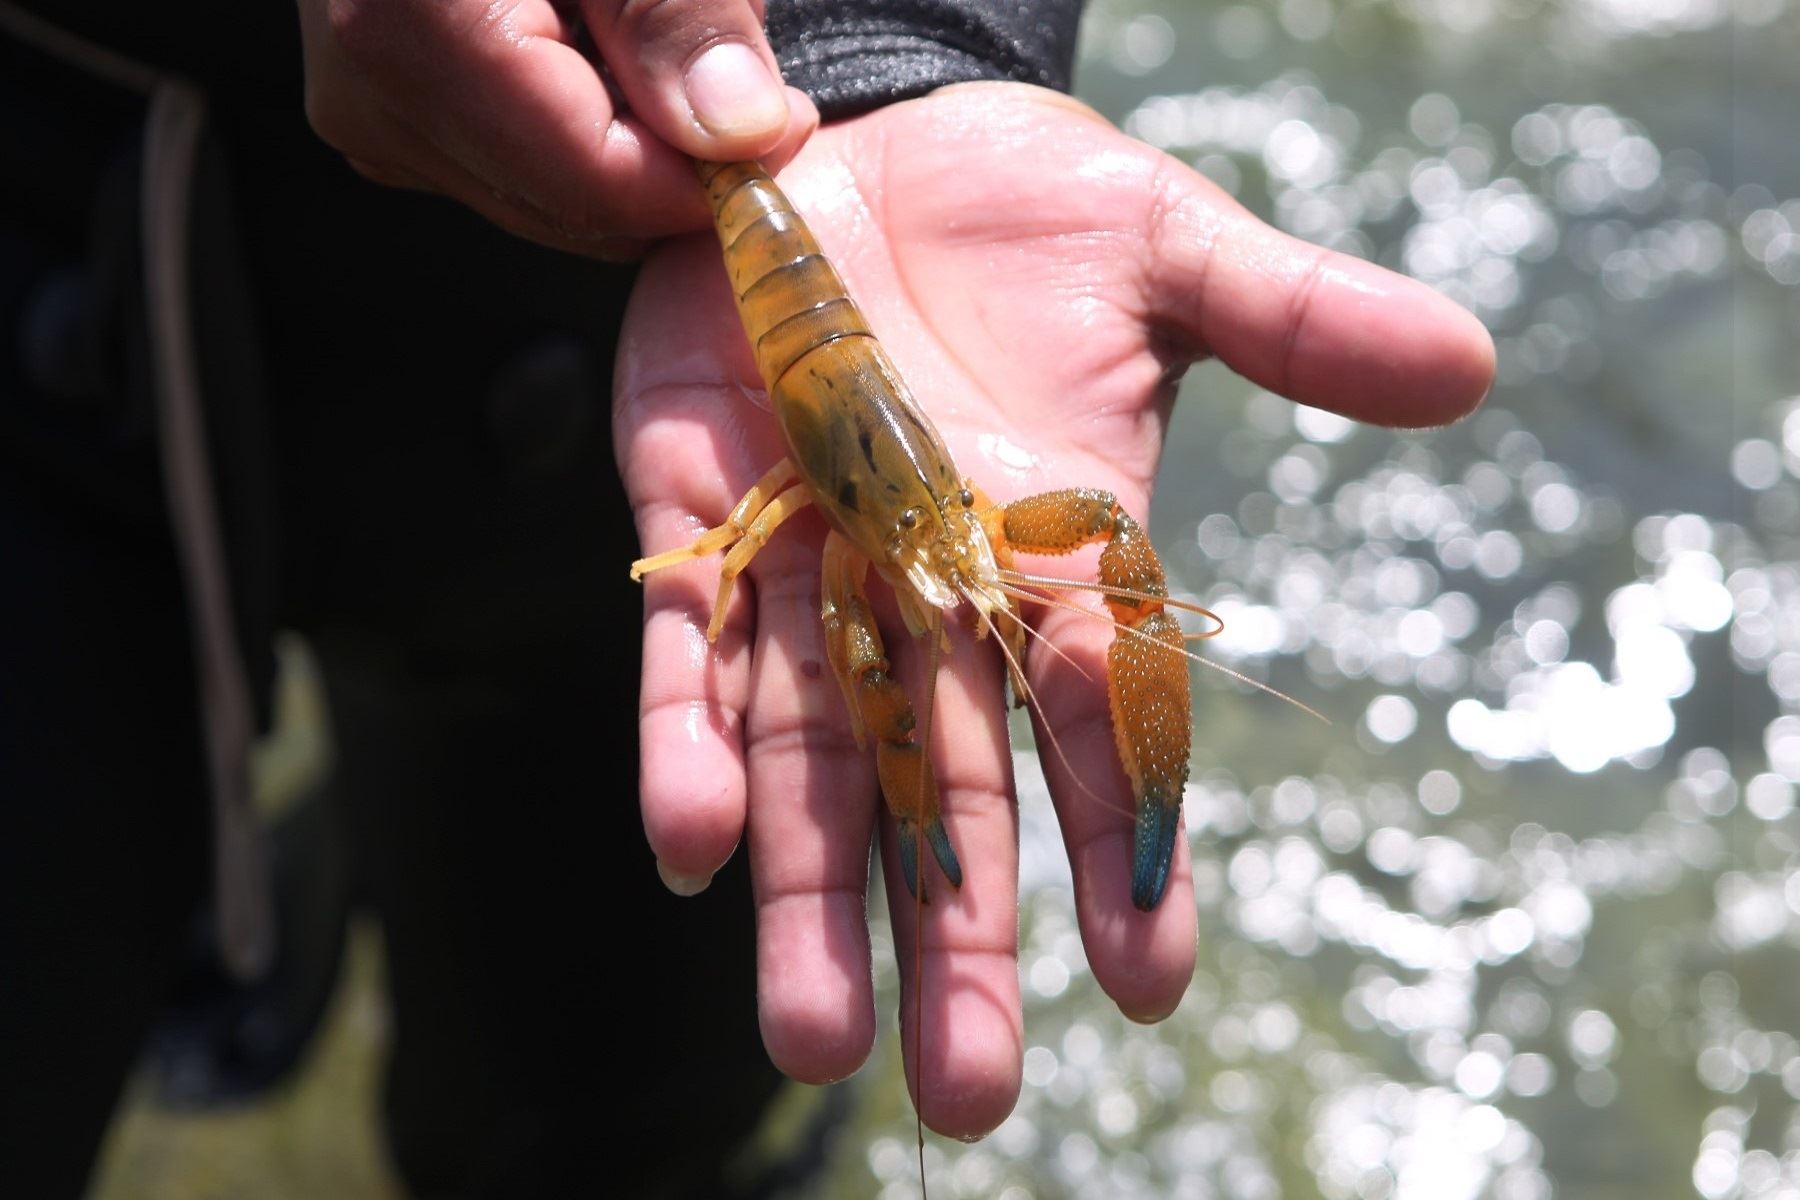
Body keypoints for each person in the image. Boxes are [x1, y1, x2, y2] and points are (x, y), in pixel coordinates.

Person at [0, 0, 1494, 1194]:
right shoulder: (840, 551)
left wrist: (889, 45)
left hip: (560, 350)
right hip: (55, 210)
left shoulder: (909, 528)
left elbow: (1084, 534)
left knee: (602, 1121)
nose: (946, 587)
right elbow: (842, 607)